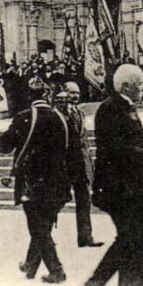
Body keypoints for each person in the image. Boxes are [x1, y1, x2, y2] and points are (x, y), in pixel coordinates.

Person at [82, 64, 143, 286]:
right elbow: (115, 150)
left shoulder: (126, 107)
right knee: (132, 240)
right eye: (141, 84)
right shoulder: (110, 108)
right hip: (118, 190)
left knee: (135, 241)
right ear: (126, 86)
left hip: (131, 188)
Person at [0, 95, 71, 284]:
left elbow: (4, 146)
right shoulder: (62, 118)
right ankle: (30, 265)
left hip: (32, 181)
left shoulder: (23, 117)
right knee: (43, 225)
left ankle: (56, 271)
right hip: (59, 181)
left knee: (37, 228)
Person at [55, 83, 103, 248]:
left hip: (81, 165)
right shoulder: (58, 113)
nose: (75, 96)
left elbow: (84, 141)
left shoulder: (80, 113)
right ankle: (44, 238)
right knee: (56, 202)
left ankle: (85, 236)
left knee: (84, 200)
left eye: (77, 93)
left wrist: (89, 163)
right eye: (71, 93)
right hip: (66, 164)